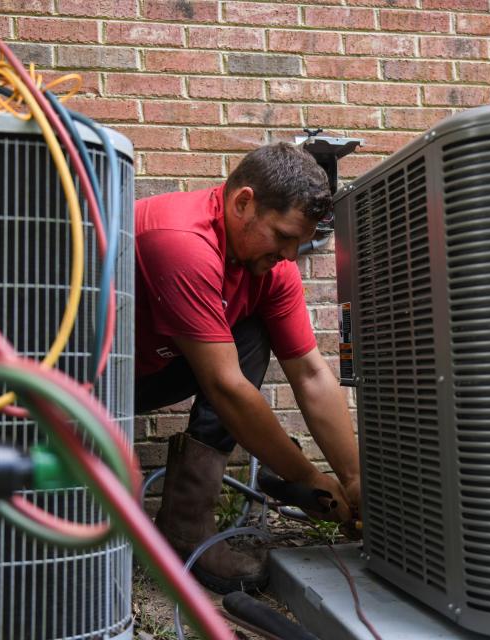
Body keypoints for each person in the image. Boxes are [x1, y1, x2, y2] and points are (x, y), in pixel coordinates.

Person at [134, 142, 361, 594]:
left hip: (161, 366)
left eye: (300, 242)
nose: (290, 256)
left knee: (253, 331)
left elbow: (312, 375)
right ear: (243, 203)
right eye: (283, 237)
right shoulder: (183, 241)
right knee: (230, 377)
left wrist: (355, 482)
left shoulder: (271, 270)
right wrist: (310, 480)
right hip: (91, 380)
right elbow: (227, 387)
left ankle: (185, 529)